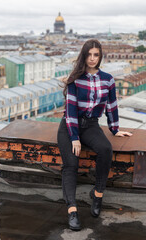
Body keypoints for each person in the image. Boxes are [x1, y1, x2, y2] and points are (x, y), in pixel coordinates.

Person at [57, 39, 132, 231]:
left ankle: (97, 195)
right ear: (84, 55)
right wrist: (74, 137)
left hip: (90, 125)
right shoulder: (76, 78)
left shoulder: (107, 79)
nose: (92, 59)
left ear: (100, 56)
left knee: (106, 149)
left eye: (96, 55)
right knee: (71, 164)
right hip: (69, 126)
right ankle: (72, 210)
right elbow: (71, 109)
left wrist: (115, 129)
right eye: (89, 54)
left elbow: (111, 106)